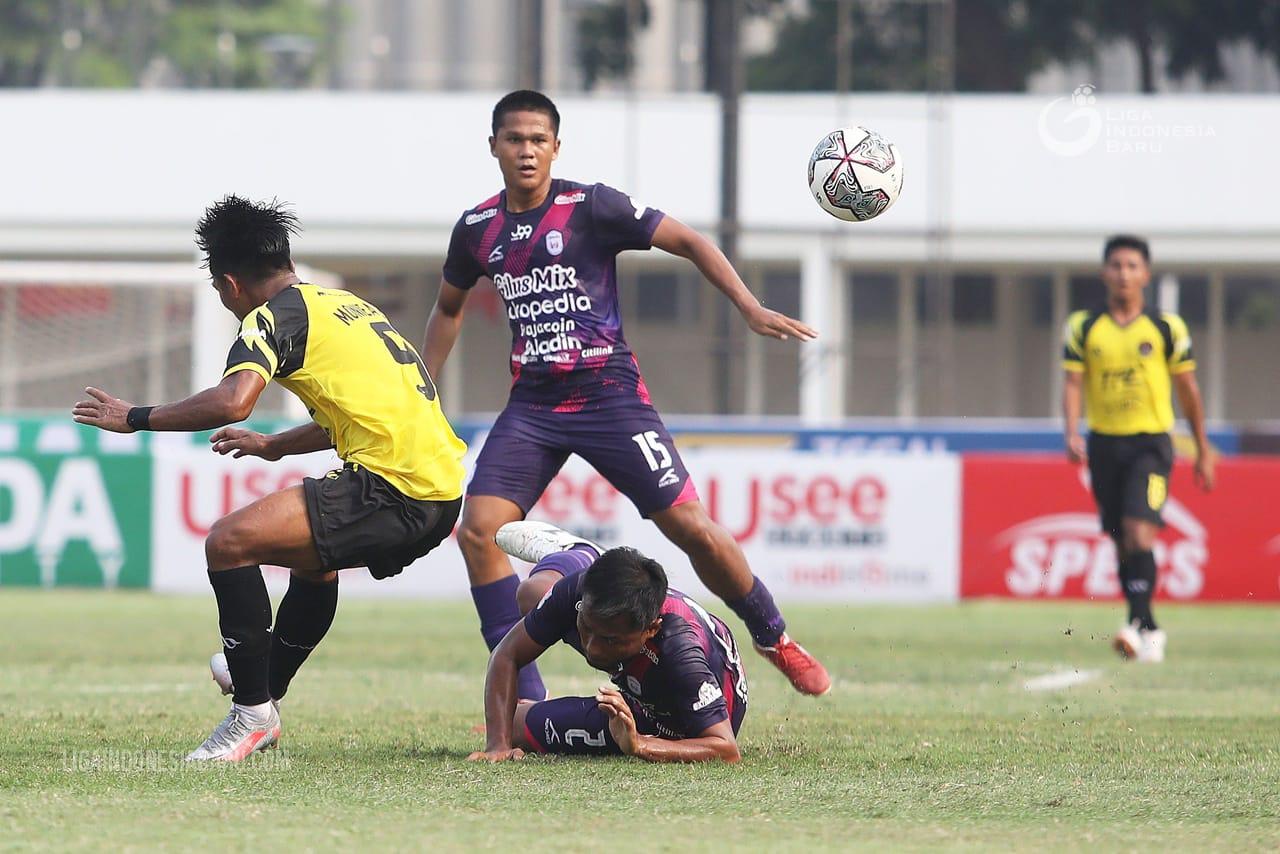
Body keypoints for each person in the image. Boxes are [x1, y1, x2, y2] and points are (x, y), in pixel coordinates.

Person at [424, 89, 830, 700]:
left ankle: (774, 636)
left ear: (556, 147)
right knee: (478, 532)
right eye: (515, 140)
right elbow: (448, 309)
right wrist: (421, 391)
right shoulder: (478, 228)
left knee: (689, 525)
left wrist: (748, 306)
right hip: (533, 406)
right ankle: (524, 701)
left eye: (538, 140)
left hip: (608, 394)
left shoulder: (592, 207)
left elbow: (691, 241)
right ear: (494, 148)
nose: (527, 151)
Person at [72, 196, 467, 761]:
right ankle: (262, 687)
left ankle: (252, 713)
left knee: (229, 542)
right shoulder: (344, 306)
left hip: (395, 488)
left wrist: (137, 418)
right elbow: (362, 413)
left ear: (230, 283)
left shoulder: (271, 318)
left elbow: (235, 401)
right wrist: (276, 447)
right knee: (313, 563)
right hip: (439, 489)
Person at [468, 521, 746, 763]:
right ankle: (578, 555)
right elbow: (506, 654)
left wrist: (640, 744)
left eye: (610, 640)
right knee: (531, 595)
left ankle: (584, 555)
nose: (591, 648)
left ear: (650, 629)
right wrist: (498, 746)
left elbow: (725, 748)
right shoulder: (578, 595)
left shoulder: (680, 653)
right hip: (642, 694)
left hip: (684, 719)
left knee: (520, 721)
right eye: (585, 629)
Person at [1062, 234, 1214, 663]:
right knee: (1121, 540)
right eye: (1116, 265)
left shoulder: (1167, 327)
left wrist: (1202, 449)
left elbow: (1188, 390)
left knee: (1138, 531)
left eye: (1132, 266)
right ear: (1104, 273)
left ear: (1145, 274)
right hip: (1104, 445)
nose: (1123, 273)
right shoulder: (1083, 327)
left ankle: (1135, 627)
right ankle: (1147, 626)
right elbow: (1073, 382)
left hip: (1151, 445)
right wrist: (1071, 431)